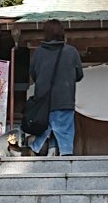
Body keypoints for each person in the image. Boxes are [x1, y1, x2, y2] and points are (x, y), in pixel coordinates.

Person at [26, 20, 83, 156]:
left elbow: (33, 74)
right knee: (65, 133)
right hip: (64, 100)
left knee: (43, 129)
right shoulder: (71, 52)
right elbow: (79, 75)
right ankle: (66, 157)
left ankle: (34, 149)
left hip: (43, 102)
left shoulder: (39, 53)